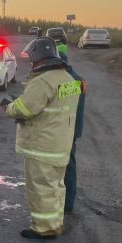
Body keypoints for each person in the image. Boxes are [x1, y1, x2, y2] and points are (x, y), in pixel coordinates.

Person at [3, 37, 81, 239]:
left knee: (40, 188)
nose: (30, 62)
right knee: (56, 186)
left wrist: (9, 108)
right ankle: (56, 221)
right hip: (61, 143)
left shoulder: (43, 81)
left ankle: (44, 228)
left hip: (42, 145)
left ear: (37, 57)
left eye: (31, 57)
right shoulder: (67, 78)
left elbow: (24, 109)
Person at [55, 43, 86, 213]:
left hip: (66, 129)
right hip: (72, 128)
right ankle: (67, 201)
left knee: (67, 166)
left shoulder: (69, 81)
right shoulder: (78, 78)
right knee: (68, 164)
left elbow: (59, 106)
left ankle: (67, 204)